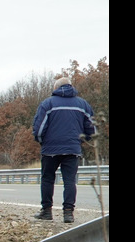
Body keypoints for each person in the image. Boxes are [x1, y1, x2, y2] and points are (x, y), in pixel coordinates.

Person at [31, 77, 96, 223]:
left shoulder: (47, 104)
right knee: (69, 181)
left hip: (50, 149)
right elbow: (92, 129)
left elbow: (39, 129)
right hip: (72, 148)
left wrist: (42, 142)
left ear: (56, 88)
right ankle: (68, 213)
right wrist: (80, 141)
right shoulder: (83, 104)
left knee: (47, 179)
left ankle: (46, 211)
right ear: (71, 87)